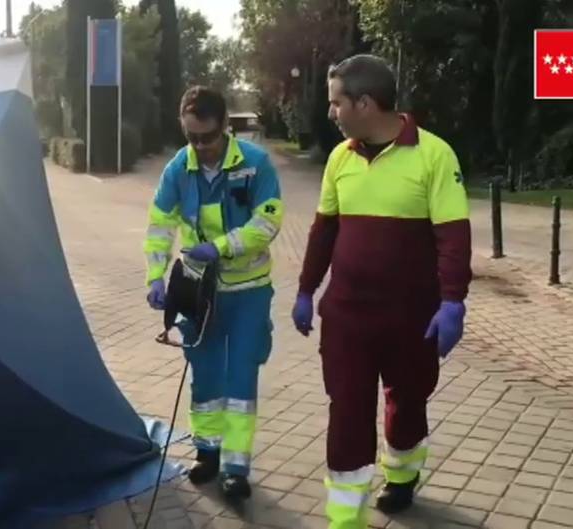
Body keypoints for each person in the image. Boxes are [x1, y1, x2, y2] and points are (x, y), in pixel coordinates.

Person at [291, 54, 472, 528]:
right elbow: (323, 231)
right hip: (348, 317)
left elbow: (453, 236)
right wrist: (307, 289)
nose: (331, 112)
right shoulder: (339, 158)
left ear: (365, 103)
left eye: (336, 103)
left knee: (407, 401)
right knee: (347, 411)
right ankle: (345, 518)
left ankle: (403, 475)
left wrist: (453, 301)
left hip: (412, 317)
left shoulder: (434, 155)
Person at [143, 86, 284, 500]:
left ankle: (236, 468)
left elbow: (267, 223)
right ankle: (208, 453)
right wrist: (155, 277)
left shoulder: (256, 165)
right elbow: (159, 223)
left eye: (208, 137)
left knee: (241, 376)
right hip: (199, 293)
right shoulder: (178, 169)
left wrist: (220, 248)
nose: (201, 147)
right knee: (204, 375)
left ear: (225, 126)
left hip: (248, 291)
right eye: (192, 138)